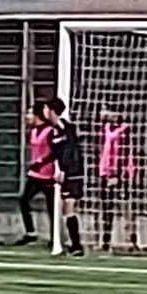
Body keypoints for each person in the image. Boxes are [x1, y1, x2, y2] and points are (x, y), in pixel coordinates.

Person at [44, 97, 86, 257]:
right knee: (65, 207)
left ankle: (76, 245)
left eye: (46, 108)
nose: (44, 112)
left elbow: (70, 150)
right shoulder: (53, 131)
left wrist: (64, 169)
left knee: (69, 205)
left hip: (73, 172)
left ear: (52, 111)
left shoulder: (65, 128)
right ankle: (67, 242)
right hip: (65, 172)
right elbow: (56, 153)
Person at [14, 103, 58, 247]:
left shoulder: (50, 131)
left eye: (30, 113)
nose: (27, 116)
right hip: (35, 173)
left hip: (48, 174)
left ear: (37, 115)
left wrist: (42, 161)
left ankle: (55, 237)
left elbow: (55, 152)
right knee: (23, 200)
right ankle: (30, 233)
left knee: (52, 207)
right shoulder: (33, 131)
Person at [97, 107, 138, 253]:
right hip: (106, 172)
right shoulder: (106, 127)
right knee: (106, 208)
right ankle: (106, 240)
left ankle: (132, 239)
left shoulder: (124, 129)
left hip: (121, 173)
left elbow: (123, 153)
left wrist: (116, 175)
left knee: (126, 206)